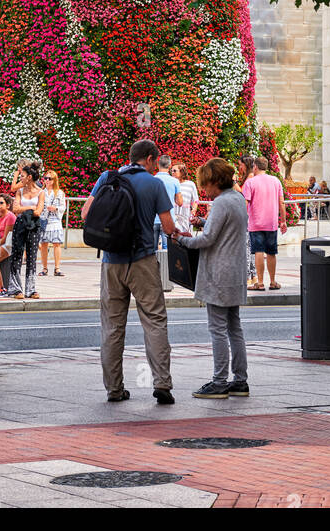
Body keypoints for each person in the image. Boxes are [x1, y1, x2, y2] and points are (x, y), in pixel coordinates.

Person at [82, 138, 177, 405]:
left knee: (112, 327)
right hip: (143, 261)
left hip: (111, 261)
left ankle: (114, 389)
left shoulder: (107, 177)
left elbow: (85, 212)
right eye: (155, 161)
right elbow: (168, 228)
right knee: (154, 321)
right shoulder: (154, 183)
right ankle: (162, 384)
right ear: (149, 159)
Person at [174, 157, 249, 399]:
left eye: (207, 184)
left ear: (216, 180)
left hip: (218, 273)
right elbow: (225, 230)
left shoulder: (220, 203)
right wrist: (204, 222)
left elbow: (206, 240)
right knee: (234, 328)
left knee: (217, 329)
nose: (205, 189)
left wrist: (181, 239)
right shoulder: (237, 199)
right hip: (235, 272)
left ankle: (219, 381)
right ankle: (240, 380)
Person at [243, 157, 287, 291]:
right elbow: (282, 202)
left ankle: (260, 283)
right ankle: (273, 281)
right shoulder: (276, 181)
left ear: (255, 167)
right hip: (271, 223)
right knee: (272, 252)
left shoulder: (250, 182)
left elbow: (245, 203)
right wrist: (283, 221)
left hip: (256, 223)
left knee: (258, 251)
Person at [8, 163, 44, 299]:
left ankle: (31, 289)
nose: (20, 179)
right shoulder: (20, 191)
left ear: (29, 177)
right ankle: (16, 289)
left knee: (32, 256)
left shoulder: (41, 192)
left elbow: (39, 212)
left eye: (22, 176)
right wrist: (31, 208)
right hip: (20, 224)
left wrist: (26, 208)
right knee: (17, 254)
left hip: (34, 225)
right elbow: (15, 209)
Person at [38, 171, 67, 277]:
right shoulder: (41, 192)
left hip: (55, 220)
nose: (47, 180)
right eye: (45, 178)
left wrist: (56, 208)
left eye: (49, 178)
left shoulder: (60, 193)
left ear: (54, 180)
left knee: (57, 243)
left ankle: (57, 268)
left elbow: (63, 207)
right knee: (44, 244)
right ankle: (44, 268)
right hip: (44, 219)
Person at [153, 154, 182, 254]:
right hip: (168, 219)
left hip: (153, 219)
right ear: (170, 166)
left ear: (158, 165)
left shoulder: (152, 180)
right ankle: (166, 269)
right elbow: (180, 202)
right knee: (167, 251)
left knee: (152, 251)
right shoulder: (175, 181)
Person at [237, 155, 258, 287]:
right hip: (249, 216)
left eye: (241, 165)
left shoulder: (250, 178)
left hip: (247, 216)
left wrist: (234, 185)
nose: (239, 167)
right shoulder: (248, 178)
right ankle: (253, 275)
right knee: (248, 246)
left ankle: (247, 276)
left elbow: (244, 197)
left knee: (246, 247)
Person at [170, 162, 198, 235]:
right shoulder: (170, 184)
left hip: (186, 216)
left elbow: (195, 200)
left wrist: (194, 210)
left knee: (185, 237)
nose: (172, 173)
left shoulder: (190, 184)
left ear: (182, 172)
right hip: (173, 215)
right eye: (171, 171)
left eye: (175, 171)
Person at [0, 194, 16, 296]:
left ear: (8, 205)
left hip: (8, 245)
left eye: (1, 203)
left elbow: (5, 238)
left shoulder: (10, 216)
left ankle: (2, 288)